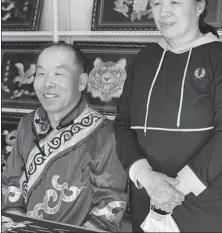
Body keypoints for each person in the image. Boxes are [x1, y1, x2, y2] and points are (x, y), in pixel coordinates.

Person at [114, 0, 222, 233]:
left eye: (175, 2)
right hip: (147, 196)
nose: (163, 12)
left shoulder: (221, 58)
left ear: (200, 6)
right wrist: (146, 177)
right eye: (157, 3)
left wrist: (175, 190)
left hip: (203, 200)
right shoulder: (143, 59)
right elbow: (121, 125)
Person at [2, 43, 128, 233]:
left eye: (58, 74)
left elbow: (110, 203)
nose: (47, 83)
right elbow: (11, 181)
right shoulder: (27, 123)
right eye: (41, 74)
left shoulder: (104, 132)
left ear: (82, 82)